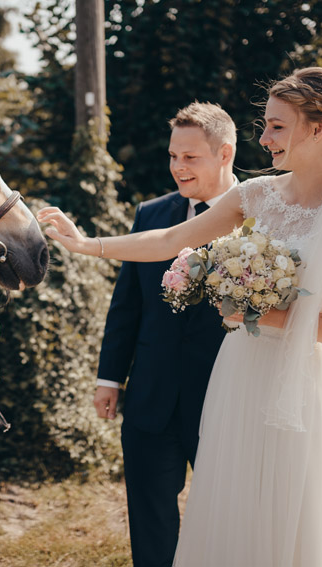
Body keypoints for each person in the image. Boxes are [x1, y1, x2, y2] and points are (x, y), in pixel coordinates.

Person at [38, 67, 322, 566]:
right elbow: (167, 241)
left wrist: (266, 316)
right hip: (237, 377)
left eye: (276, 126)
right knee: (231, 512)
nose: (263, 138)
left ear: (317, 128)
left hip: (301, 387)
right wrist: (86, 245)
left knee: (293, 516)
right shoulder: (255, 196)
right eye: (265, 125)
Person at [95, 102, 236, 567]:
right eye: (173, 156)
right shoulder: (151, 214)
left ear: (224, 154)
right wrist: (109, 378)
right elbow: (127, 304)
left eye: (190, 157)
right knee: (151, 520)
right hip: (151, 396)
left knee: (228, 520)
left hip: (226, 397)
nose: (177, 167)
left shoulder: (258, 221)